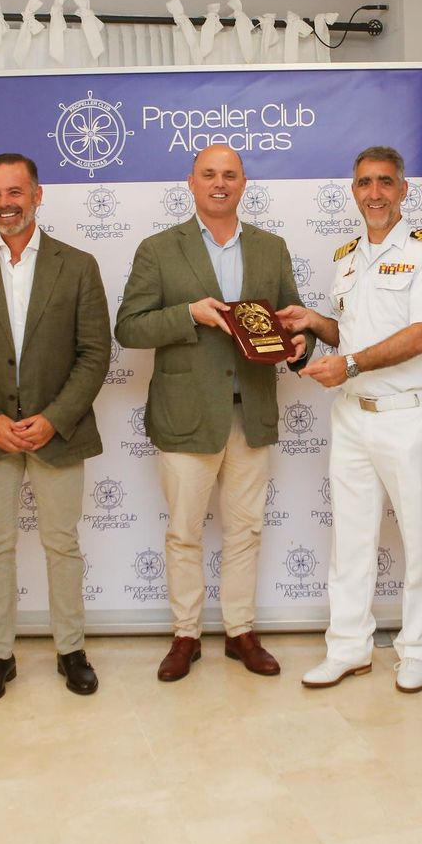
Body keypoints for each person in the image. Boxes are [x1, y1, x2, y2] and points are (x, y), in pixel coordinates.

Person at [115, 144, 312, 682]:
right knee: (184, 531)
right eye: (209, 174)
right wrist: (188, 314)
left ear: (244, 184)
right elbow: (128, 327)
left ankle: (240, 631)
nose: (219, 183)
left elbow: (291, 321)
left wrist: (298, 346)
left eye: (230, 175)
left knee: (246, 529)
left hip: (252, 413)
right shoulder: (158, 249)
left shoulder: (272, 248)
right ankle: (185, 635)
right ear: (191, 182)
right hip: (185, 414)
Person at [277, 146, 422, 695]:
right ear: (352, 191)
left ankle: (418, 647)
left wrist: (350, 362)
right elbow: (351, 331)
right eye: (363, 183)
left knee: (420, 539)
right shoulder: (348, 256)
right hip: (352, 416)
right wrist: (316, 322)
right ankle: (348, 647)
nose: (373, 193)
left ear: (404, 190)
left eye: (384, 182)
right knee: (350, 539)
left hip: (405, 416)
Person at [0, 153, 110, 705]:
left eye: (15, 192)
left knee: (62, 544)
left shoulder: (78, 265)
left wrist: (54, 418)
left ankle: (71, 649)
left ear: (38, 195)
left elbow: (94, 354)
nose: (4, 203)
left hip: (58, 431)